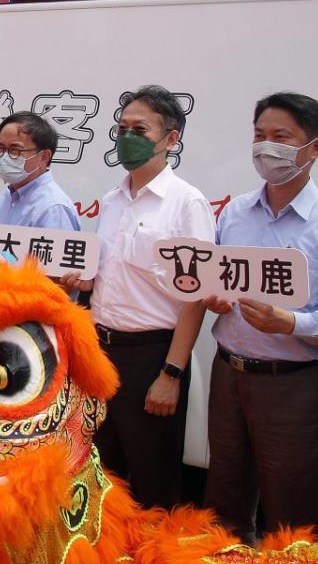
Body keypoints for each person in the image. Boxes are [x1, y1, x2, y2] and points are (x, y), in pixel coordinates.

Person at [201, 92, 318, 541]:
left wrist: (292, 323)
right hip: (229, 375)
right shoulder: (235, 212)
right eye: (259, 136)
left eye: (280, 137)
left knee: (292, 518)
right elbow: (216, 278)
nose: (265, 148)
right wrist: (215, 297)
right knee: (223, 503)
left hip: (294, 385)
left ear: (314, 148)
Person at [61, 86, 215, 509]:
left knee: (153, 481)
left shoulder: (187, 203)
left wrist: (171, 373)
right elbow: (108, 275)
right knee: (99, 470)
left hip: (151, 355)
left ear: (171, 138)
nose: (127, 136)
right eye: (122, 127)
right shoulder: (112, 200)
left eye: (140, 129)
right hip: (101, 352)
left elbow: (195, 297)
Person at [0, 112, 80, 231]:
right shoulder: (6, 195)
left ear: (44, 156)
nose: (5, 156)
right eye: (1, 148)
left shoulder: (53, 208)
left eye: (15, 150)